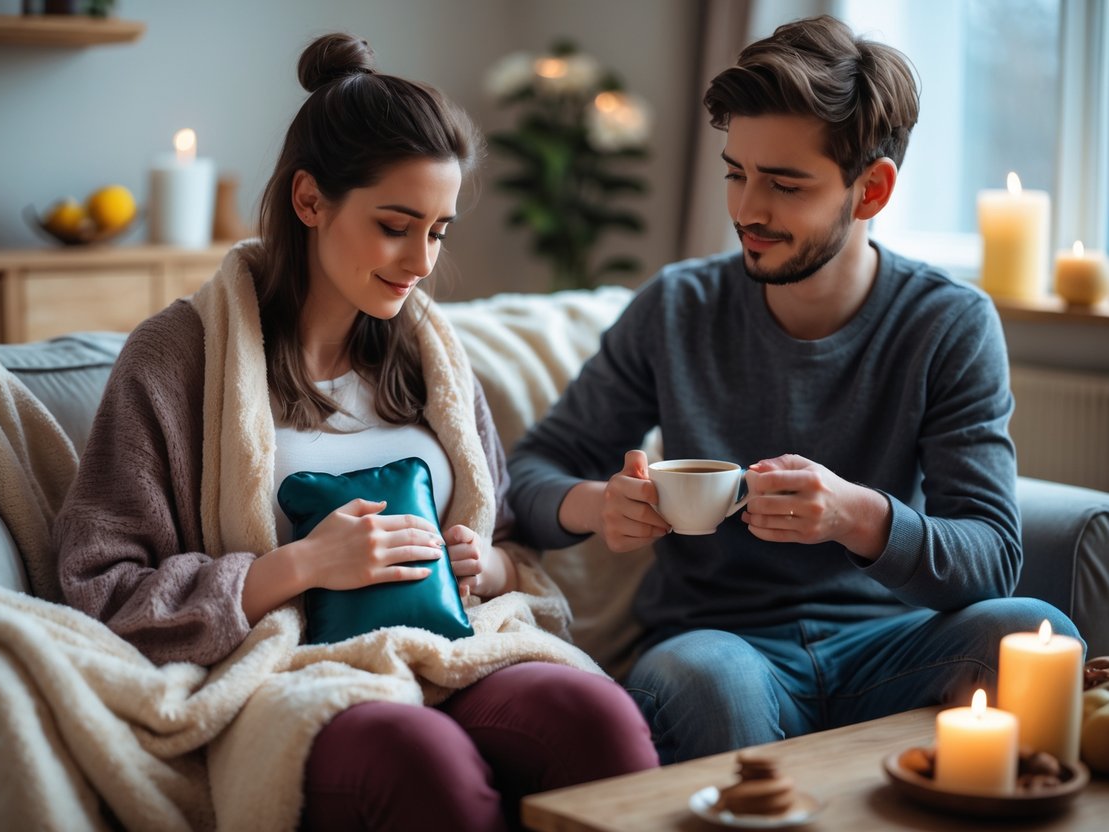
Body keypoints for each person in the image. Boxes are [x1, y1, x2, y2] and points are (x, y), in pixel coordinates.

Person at [53, 32, 656, 831]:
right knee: (423, 764)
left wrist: (492, 565)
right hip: (292, 668)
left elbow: (507, 542)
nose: (420, 261)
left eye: (437, 230)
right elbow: (101, 585)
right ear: (309, 201)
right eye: (395, 225)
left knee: (599, 722)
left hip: (459, 646)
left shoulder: (430, 356)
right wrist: (300, 566)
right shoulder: (178, 357)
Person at [506, 15, 1083, 764]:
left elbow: (989, 557)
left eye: (783, 183)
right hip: (717, 649)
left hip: (892, 645)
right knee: (698, 678)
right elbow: (528, 474)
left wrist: (858, 516)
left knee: (1033, 632)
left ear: (869, 190)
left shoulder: (947, 323)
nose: (746, 209)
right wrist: (594, 504)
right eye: (734, 172)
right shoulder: (678, 306)